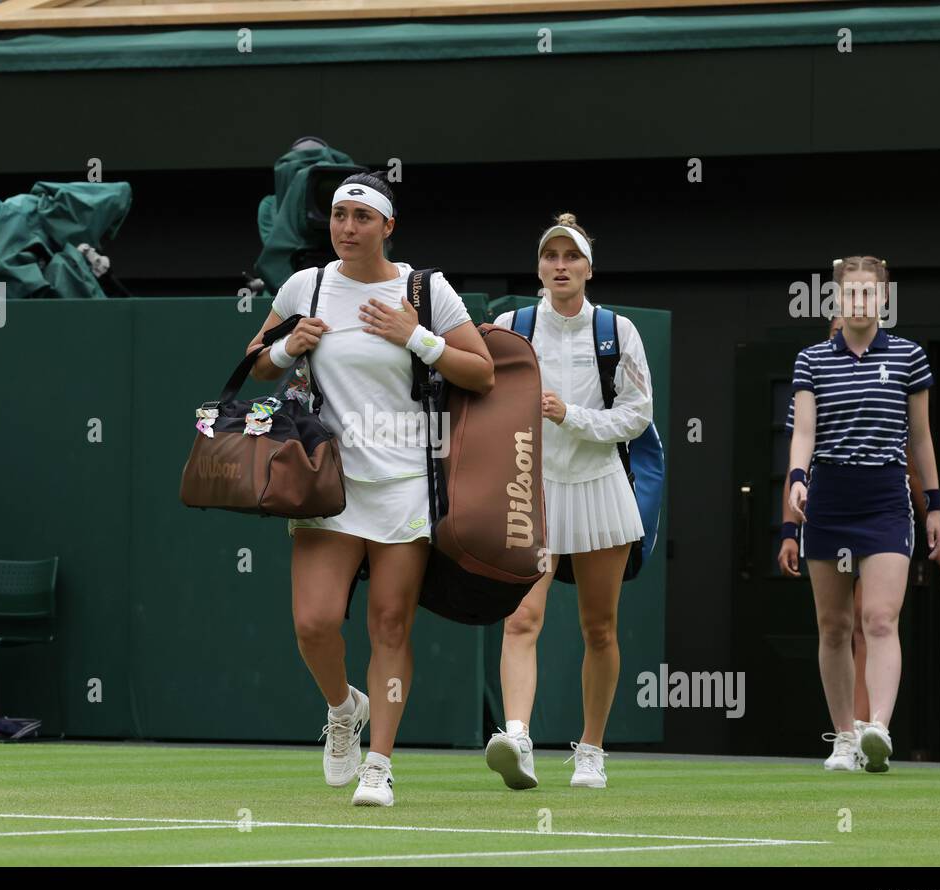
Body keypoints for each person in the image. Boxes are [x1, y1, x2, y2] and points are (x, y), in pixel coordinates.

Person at [245, 173, 493, 806]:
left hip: (406, 482)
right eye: (338, 215)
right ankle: (341, 708)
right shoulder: (309, 285)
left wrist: (415, 336)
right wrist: (283, 348)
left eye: (361, 216)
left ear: (388, 226)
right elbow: (254, 362)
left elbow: (482, 372)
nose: (347, 227)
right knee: (314, 623)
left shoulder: (426, 288)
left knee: (389, 625)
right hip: (327, 483)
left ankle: (378, 764)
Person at [484, 213, 653, 789]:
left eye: (571, 257)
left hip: (600, 488)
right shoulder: (511, 325)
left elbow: (638, 414)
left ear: (587, 268)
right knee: (521, 618)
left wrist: (570, 416)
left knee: (598, 628)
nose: (561, 266)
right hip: (530, 489)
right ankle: (517, 737)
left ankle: (592, 749)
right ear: (540, 267)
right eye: (551, 257)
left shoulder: (617, 331)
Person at [788, 256, 940, 773]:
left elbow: (920, 438)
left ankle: (878, 726)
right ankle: (844, 739)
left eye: (868, 293)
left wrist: (935, 507)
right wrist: (796, 479)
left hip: (884, 495)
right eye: (849, 293)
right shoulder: (810, 359)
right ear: (836, 299)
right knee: (832, 626)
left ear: (883, 299)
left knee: (879, 619)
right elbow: (804, 433)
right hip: (829, 494)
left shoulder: (909, 358)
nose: (858, 301)